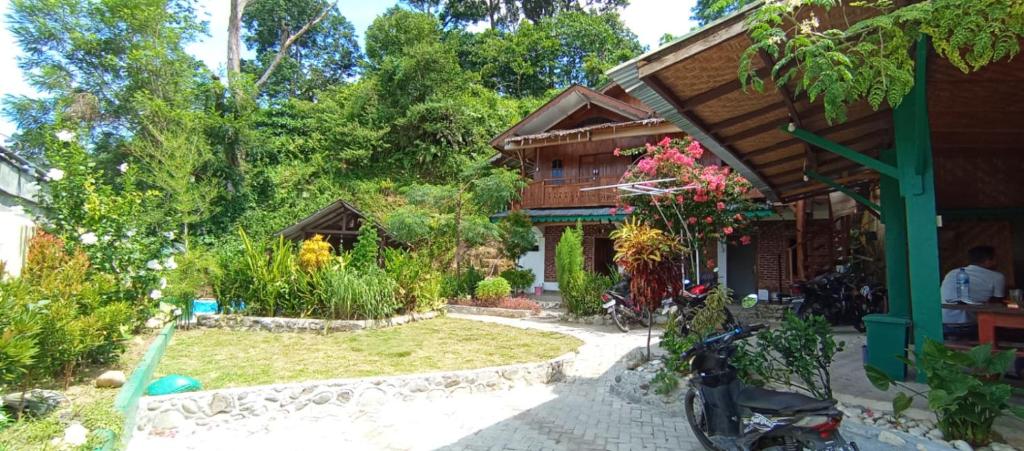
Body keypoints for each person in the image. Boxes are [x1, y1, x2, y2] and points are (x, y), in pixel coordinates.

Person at [940, 245, 1006, 339]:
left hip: (943, 324)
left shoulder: (952, 273)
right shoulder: (997, 277)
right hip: (968, 327)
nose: (998, 262)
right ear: (988, 261)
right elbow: (997, 304)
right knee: (1006, 331)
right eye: (996, 259)